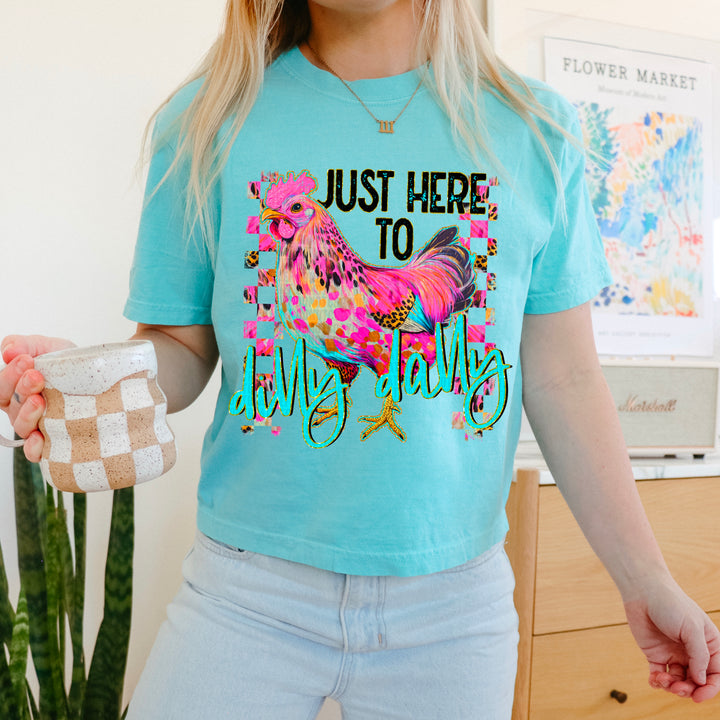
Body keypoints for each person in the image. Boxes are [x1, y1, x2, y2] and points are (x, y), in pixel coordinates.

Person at [2, 1, 719, 717]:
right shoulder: (206, 119)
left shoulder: (534, 129)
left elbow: (566, 378)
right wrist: (91, 378)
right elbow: (183, 348)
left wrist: (647, 580)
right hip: (248, 589)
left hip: (452, 606)